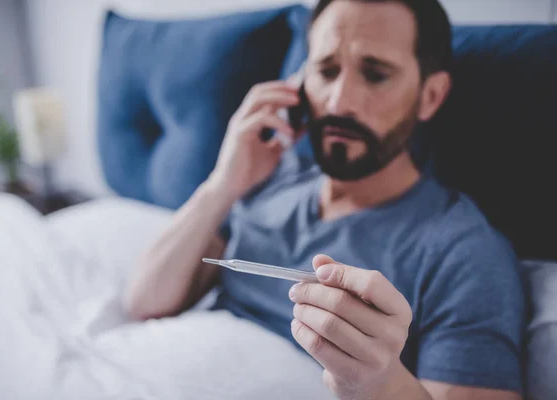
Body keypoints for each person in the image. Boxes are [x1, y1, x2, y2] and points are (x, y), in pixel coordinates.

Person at [125, 0, 525, 399]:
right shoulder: (267, 179)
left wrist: (378, 381)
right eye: (326, 70)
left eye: (375, 74)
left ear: (430, 96)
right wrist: (222, 183)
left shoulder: (464, 253)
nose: (338, 102)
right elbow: (144, 300)